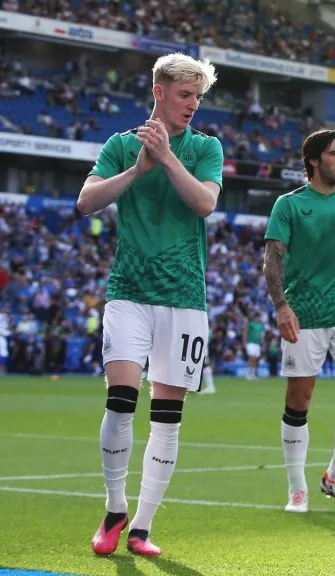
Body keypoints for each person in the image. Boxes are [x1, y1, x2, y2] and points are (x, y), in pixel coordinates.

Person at [78, 52, 223, 557]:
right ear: (158, 91)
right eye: (185, 95)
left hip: (184, 299)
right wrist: (138, 170)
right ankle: (114, 508)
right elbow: (86, 201)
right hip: (129, 292)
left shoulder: (206, 148)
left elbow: (205, 203)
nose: (192, 106)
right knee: (120, 401)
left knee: (167, 414)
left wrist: (167, 159)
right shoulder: (121, 145)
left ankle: (141, 525)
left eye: (198, 98)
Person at [263, 129, 335, 515]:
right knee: (299, 400)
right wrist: (281, 307)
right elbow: (273, 261)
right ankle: (297, 487)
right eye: (334, 154)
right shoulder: (289, 205)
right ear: (314, 160)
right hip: (304, 316)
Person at [243, 306, 266, 380]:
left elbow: (261, 336)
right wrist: (244, 342)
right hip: (251, 343)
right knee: (251, 357)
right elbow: (246, 333)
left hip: (257, 343)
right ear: (255, 318)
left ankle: (252, 374)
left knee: (255, 359)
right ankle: (248, 373)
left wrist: (262, 344)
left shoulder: (261, 326)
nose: (260, 319)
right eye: (258, 317)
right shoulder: (251, 324)